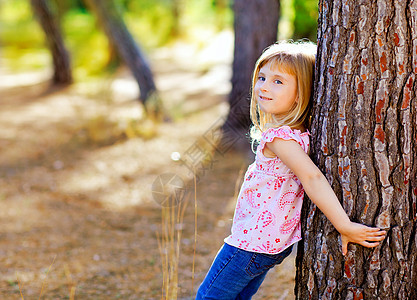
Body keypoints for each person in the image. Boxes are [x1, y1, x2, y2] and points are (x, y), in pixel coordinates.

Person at [196, 40, 387, 299]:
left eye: (278, 81)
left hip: (250, 245)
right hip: (267, 244)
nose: (263, 86)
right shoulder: (298, 134)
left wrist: (344, 225)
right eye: (262, 77)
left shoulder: (279, 138)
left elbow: (312, 177)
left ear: (300, 93)